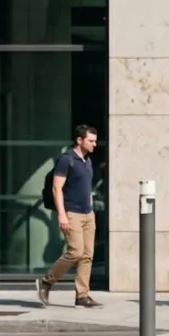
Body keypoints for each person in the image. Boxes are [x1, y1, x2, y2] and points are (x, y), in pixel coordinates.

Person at [35, 125, 103, 308]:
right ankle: (47, 281)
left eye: (95, 141)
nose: (94, 144)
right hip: (71, 213)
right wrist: (62, 215)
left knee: (87, 255)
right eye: (91, 141)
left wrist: (91, 207)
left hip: (88, 214)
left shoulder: (87, 161)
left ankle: (82, 296)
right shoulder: (66, 160)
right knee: (75, 252)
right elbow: (56, 188)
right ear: (79, 140)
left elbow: (86, 187)